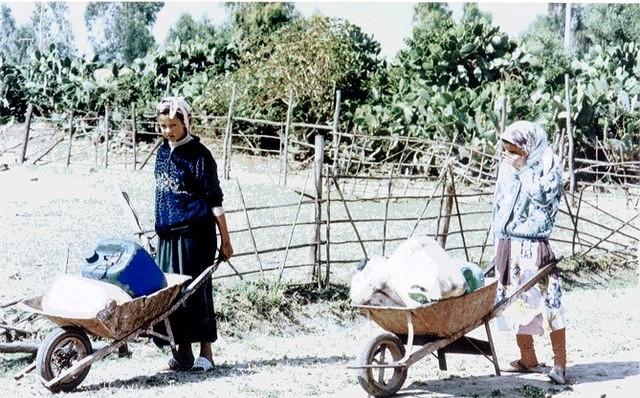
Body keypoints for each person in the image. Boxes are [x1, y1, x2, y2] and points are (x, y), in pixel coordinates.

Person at [153, 96, 233, 372]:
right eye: (163, 126)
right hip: (167, 237)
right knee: (172, 295)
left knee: (195, 292)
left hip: (195, 236)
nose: (168, 131)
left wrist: (226, 239)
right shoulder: (162, 153)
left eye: (173, 125)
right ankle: (182, 353)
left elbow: (215, 200)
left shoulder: (200, 156)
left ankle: (206, 354)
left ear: (186, 122)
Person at [491, 121, 568, 384]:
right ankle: (528, 358)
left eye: (514, 150)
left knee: (550, 305)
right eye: (506, 150)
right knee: (515, 306)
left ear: (528, 146)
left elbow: (545, 198)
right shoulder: (507, 166)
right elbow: (499, 204)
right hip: (509, 244)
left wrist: (523, 170)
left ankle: (560, 365)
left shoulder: (548, 163)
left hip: (534, 246)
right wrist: (497, 241)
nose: (510, 155)